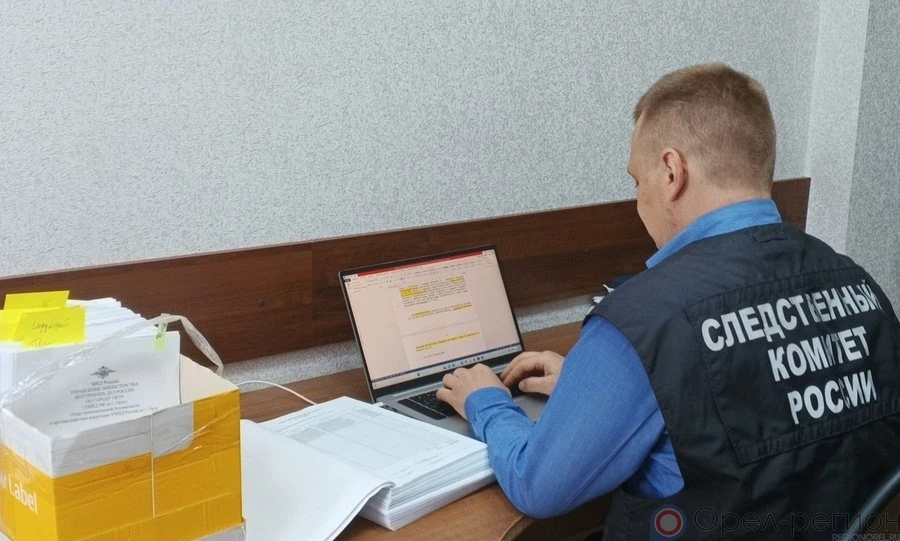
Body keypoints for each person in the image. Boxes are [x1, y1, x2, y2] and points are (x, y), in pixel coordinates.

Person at [436, 64, 900, 540]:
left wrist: (486, 402)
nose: (639, 201)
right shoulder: (858, 285)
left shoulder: (643, 321)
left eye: (637, 181)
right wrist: (594, 389)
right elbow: (771, 397)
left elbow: (538, 487)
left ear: (672, 172)